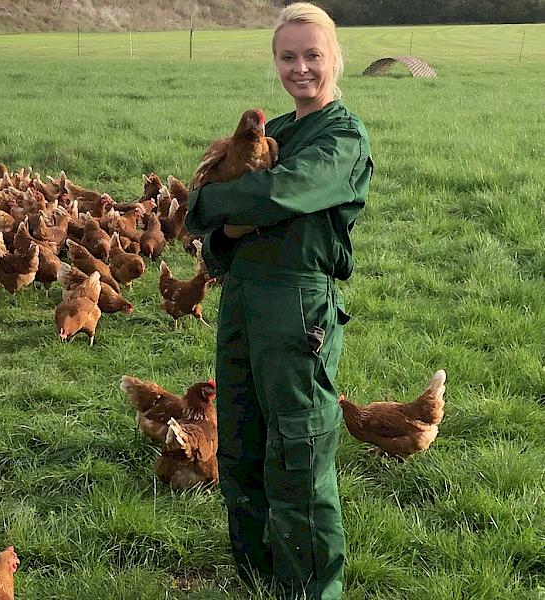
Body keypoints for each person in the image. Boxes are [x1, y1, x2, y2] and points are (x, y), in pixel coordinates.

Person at [184, 3, 373, 599]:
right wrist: (223, 223)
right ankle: (257, 575)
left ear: (334, 58)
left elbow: (279, 194)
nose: (301, 68)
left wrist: (214, 212)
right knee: (240, 438)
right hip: (242, 300)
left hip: (296, 309)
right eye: (288, 56)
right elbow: (216, 220)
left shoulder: (341, 136)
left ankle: (313, 588)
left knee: (297, 448)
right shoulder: (281, 133)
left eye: (313, 55)